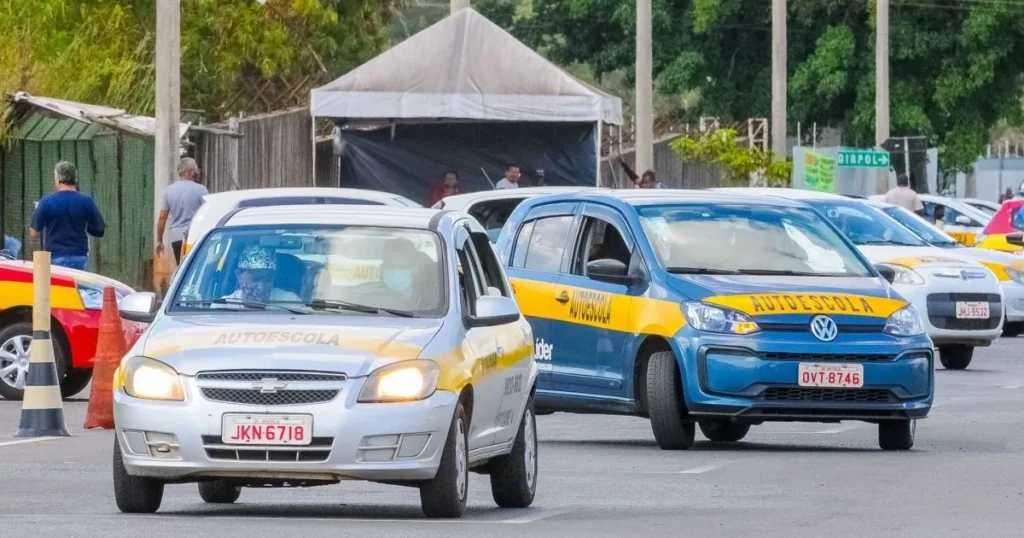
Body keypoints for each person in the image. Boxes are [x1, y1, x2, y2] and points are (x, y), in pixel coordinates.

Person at [28, 161, 105, 270]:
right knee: (77, 286)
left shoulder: (46, 201)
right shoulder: (87, 201)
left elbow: (34, 232)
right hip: (79, 256)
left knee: (58, 287)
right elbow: (99, 230)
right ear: (75, 178)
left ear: (58, 178)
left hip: (55, 257)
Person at [157, 157, 209, 263]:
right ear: (188, 172)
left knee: (182, 267)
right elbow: (208, 213)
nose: (197, 172)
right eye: (195, 170)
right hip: (196, 236)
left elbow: (162, 217)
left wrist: (159, 240)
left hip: (177, 239)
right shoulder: (201, 189)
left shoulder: (168, 191)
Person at [219, 245, 301, 305]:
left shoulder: (290, 302)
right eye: (255, 279)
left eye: (268, 280)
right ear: (239, 276)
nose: (261, 287)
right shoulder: (222, 306)